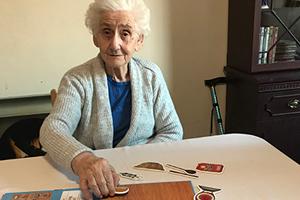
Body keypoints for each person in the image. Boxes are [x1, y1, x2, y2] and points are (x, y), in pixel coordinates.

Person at [40, 0, 183, 199]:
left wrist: (139, 162)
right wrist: (84, 160)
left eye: (125, 33)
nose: (115, 44)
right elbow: (51, 129)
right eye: (107, 32)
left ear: (139, 40)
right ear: (95, 38)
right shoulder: (77, 79)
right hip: (91, 181)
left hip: (143, 177)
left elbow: (172, 131)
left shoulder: (151, 75)